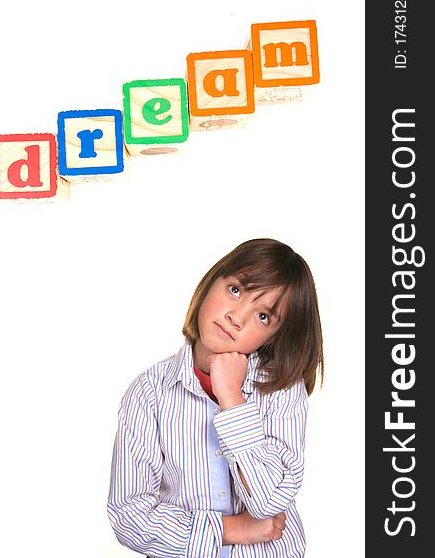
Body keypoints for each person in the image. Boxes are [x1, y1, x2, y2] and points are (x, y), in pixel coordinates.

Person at [107, 238, 324, 557]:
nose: (237, 317)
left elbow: (269, 502)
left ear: (274, 336)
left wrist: (231, 399)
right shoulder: (149, 393)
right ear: (211, 282)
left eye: (263, 316)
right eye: (236, 290)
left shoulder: (281, 390)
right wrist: (233, 529)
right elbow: (129, 517)